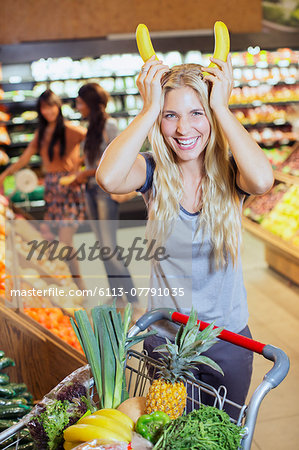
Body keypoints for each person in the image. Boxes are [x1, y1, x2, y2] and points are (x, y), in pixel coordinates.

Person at [95, 55, 274, 415]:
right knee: (169, 435)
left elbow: (263, 180)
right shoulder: (153, 172)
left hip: (228, 339)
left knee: (222, 433)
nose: (183, 129)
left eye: (197, 113)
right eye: (171, 115)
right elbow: (109, 177)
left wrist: (221, 107)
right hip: (166, 341)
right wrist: (148, 110)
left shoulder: (230, 172)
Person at [0, 89, 87, 290]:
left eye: (51, 106)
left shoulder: (70, 130)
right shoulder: (41, 133)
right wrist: (5, 174)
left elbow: (95, 144)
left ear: (58, 107)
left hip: (69, 189)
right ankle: (71, 282)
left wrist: (79, 165)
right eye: (44, 107)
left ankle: (78, 282)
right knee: (57, 240)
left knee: (65, 240)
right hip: (51, 189)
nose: (48, 111)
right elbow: (25, 158)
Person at [74, 83, 138, 305]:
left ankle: (132, 298)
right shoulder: (90, 125)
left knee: (110, 247)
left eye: (80, 102)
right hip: (90, 189)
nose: (77, 106)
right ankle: (116, 295)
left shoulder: (109, 125)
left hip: (104, 192)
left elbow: (116, 160)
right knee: (102, 246)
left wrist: (87, 172)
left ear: (90, 103)